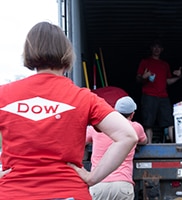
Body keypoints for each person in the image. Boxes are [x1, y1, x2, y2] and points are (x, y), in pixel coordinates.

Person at [0, 22, 138, 200]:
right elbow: (128, 136)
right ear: (66, 53)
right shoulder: (83, 97)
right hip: (68, 193)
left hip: (14, 193)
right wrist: (93, 177)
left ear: (29, 52)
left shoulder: (4, 95)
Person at [86, 96, 147, 200]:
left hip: (98, 184)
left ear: (114, 111)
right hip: (122, 184)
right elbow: (144, 141)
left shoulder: (97, 127)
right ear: (132, 114)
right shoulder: (135, 127)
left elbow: (80, 141)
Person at [136, 39, 182, 143]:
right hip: (149, 96)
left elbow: (167, 81)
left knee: (169, 121)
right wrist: (144, 77)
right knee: (148, 123)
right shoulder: (145, 62)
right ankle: (149, 147)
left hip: (163, 96)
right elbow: (138, 79)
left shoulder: (165, 64)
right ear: (151, 49)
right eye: (154, 47)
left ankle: (173, 145)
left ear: (162, 49)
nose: (157, 49)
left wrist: (178, 77)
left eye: (159, 47)